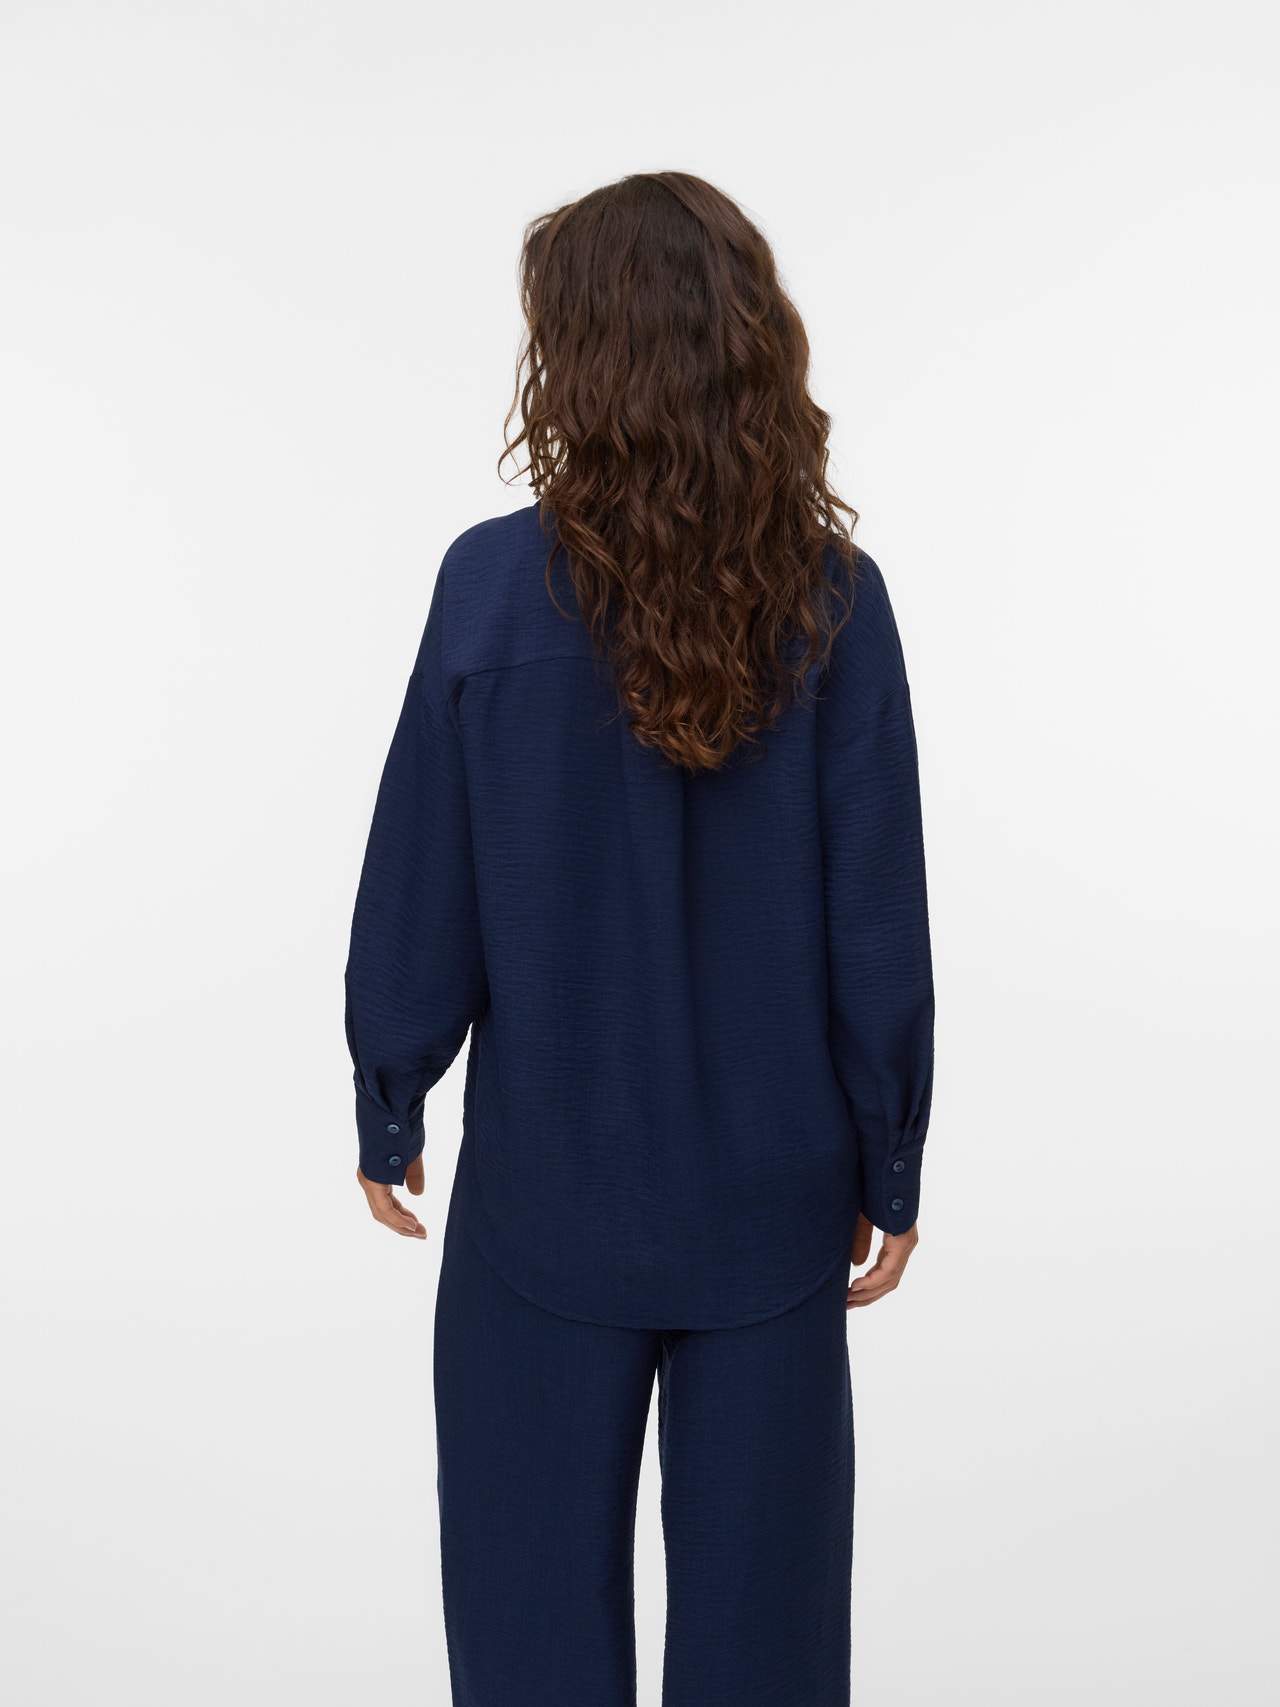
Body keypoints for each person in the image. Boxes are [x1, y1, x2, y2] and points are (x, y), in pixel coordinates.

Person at [342, 170, 935, 1707]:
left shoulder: (488, 588)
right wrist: (890, 1159)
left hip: (545, 1200)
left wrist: (392, 1091)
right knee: (768, 1657)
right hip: (774, 1207)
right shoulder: (835, 603)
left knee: (527, 1646)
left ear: (575, 356)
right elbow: (878, 921)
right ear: (753, 345)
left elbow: (423, 877)